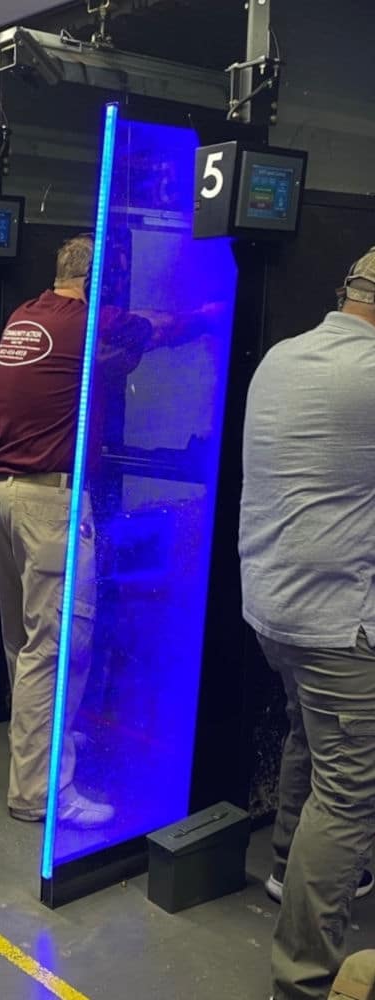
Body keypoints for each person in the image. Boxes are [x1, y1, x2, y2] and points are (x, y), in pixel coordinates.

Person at [239, 247, 375, 1000]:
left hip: (273, 607)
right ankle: (302, 976)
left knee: (307, 737)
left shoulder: (284, 358)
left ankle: (287, 867)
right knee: (351, 793)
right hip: (336, 622)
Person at [0, 233, 148, 828]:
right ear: (100, 280)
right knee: (56, 652)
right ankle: (42, 791)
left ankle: (31, 764)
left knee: (24, 645)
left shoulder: (26, 316)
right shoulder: (86, 322)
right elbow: (154, 327)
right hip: (48, 500)